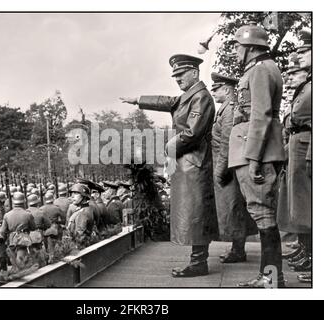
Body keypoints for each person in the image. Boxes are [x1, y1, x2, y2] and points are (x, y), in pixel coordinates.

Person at [120, 53, 219, 277]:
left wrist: (168, 147)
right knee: (193, 212)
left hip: (195, 162)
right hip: (189, 162)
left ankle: (198, 263)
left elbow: (192, 133)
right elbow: (168, 101)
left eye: (181, 74)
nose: (177, 79)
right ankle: (197, 261)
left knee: (197, 213)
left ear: (194, 73)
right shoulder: (190, 96)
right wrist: (138, 100)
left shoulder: (201, 97)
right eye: (175, 75)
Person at [228, 22, 286, 287]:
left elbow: (260, 115)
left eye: (238, 46)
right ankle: (270, 276)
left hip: (257, 153)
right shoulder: (262, 68)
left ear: (250, 47)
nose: (236, 52)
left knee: (263, 214)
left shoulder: (261, 71)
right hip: (257, 150)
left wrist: (253, 159)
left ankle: (272, 279)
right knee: (262, 212)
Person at [210, 72, 258, 263]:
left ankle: (238, 250)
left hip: (228, 166)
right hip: (228, 164)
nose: (213, 92)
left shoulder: (229, 109)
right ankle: (236, 248)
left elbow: (226, 144)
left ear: (227, 90)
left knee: (234, 208)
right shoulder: (224, 108)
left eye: (216, 89)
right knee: (233, 208)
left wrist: (220, 170)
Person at [287, 30, 312, 283]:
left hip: (308, 146)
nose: (300, 56)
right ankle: (308, 253)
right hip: (300, 145)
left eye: (305, 51)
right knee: (302, 205)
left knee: (309, 205)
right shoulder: (307, 86)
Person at [66, 183, 95, 248]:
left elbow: (80, 236)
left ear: (83, 196)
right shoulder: (83, 209)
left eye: (76, 193)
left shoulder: (83, 212)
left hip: (80, 248)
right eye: (72, 193)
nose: (72, 196)